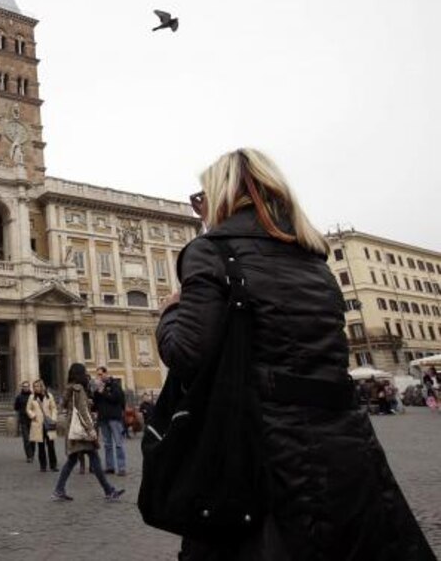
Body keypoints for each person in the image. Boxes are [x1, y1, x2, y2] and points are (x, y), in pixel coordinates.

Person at [156, 148, 433, 559]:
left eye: (201, 200)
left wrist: (171, 312)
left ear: (224, 196)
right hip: (346, 447)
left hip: (262, 450)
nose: (200, 212)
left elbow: (185, 354)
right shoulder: (314, 259)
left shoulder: (211, 250)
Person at [52, 363, 124, 502]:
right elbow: (83, 412)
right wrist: (91, 430)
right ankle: (109, 491)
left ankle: (59, 490)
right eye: (84, 372)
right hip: (82, 430)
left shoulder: (70, 388)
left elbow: (66, 405)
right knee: (93, 459)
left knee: (73, 460)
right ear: (80, 374)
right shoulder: (79, 389)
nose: (86, 375)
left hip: (73, 430)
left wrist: (87, 403)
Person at [92, 366, 126, 476]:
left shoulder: (115, 384)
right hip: (103, 418)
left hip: (114, 418)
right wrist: (95, 393)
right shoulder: (98, 388)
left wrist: (103, 392)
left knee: (118, 443)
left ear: (106, 373)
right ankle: (110, 466)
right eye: (98, 375)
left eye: (100, 374)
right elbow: (96, 404)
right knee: (107, 444)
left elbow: (117, 398)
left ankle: (121, 467)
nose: (99, 377)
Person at [26, 379, 58, 472]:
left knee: (51, 446)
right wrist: (33, 415)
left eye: (37, 386)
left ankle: (53, 465)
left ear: (41, 386)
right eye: (34, 386)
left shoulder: (49, 396)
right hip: (37, 423)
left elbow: (54, 408)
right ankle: (43, 465)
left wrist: (53, 418)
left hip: (48, 423)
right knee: (41, 446)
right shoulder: (32, 397)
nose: (35, 388)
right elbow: (28, 409)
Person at [13, 381, 35, 463]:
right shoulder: (19, 397)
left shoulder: (33, 396)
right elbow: (16, 407)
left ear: (29, 387)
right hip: (23, 420)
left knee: (33, 439)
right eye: (24, 386)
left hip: (32, 419)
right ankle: (29, 456)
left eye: (27, 386)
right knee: (26, 439)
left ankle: (32, 453)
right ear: (22, 387)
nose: (25, 388)